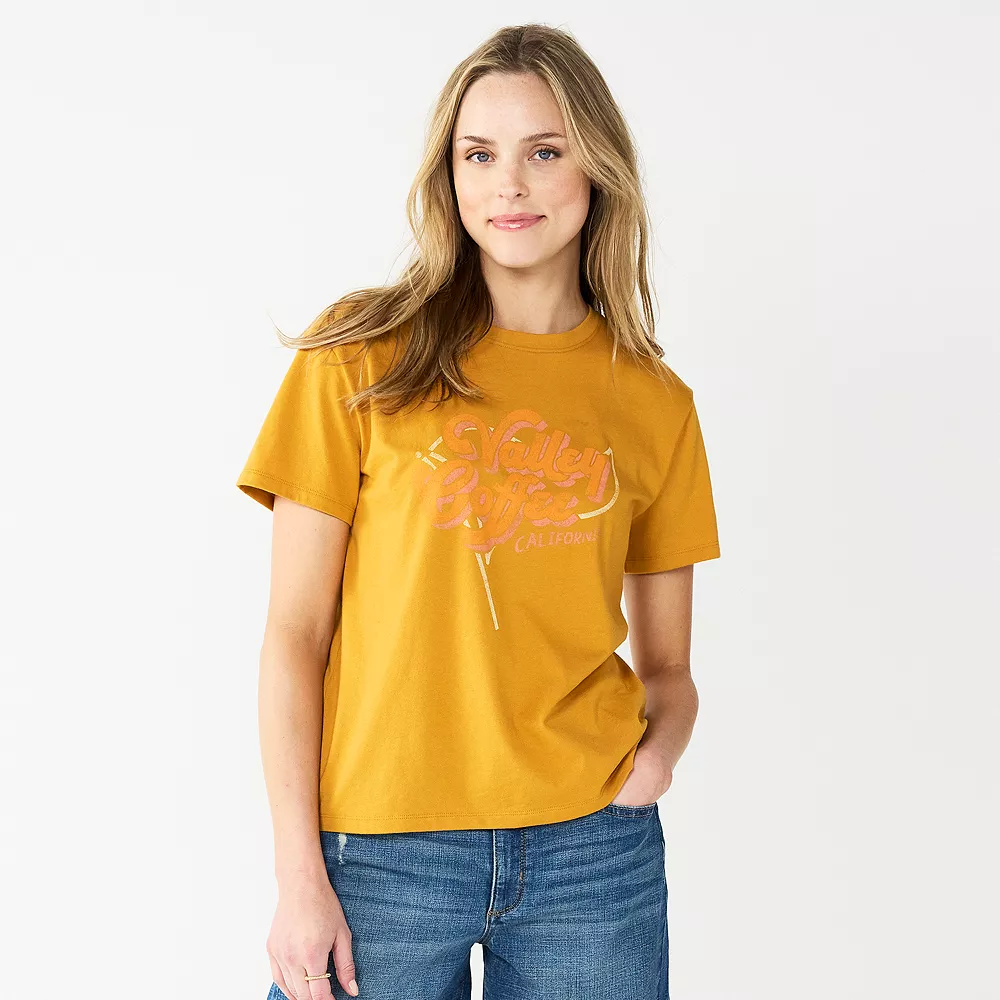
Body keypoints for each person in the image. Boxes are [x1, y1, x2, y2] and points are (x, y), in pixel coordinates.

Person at [237, 22, 721, 1000]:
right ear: (448, 176)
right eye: (479, 155)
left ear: (595, 169)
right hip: (380, 854)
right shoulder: (357, 356)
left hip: (592, 856)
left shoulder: (653, 401)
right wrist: (298, 874)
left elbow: (668, 668)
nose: (509, 185)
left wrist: (653, 764)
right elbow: (294, 635)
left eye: (544, 152)